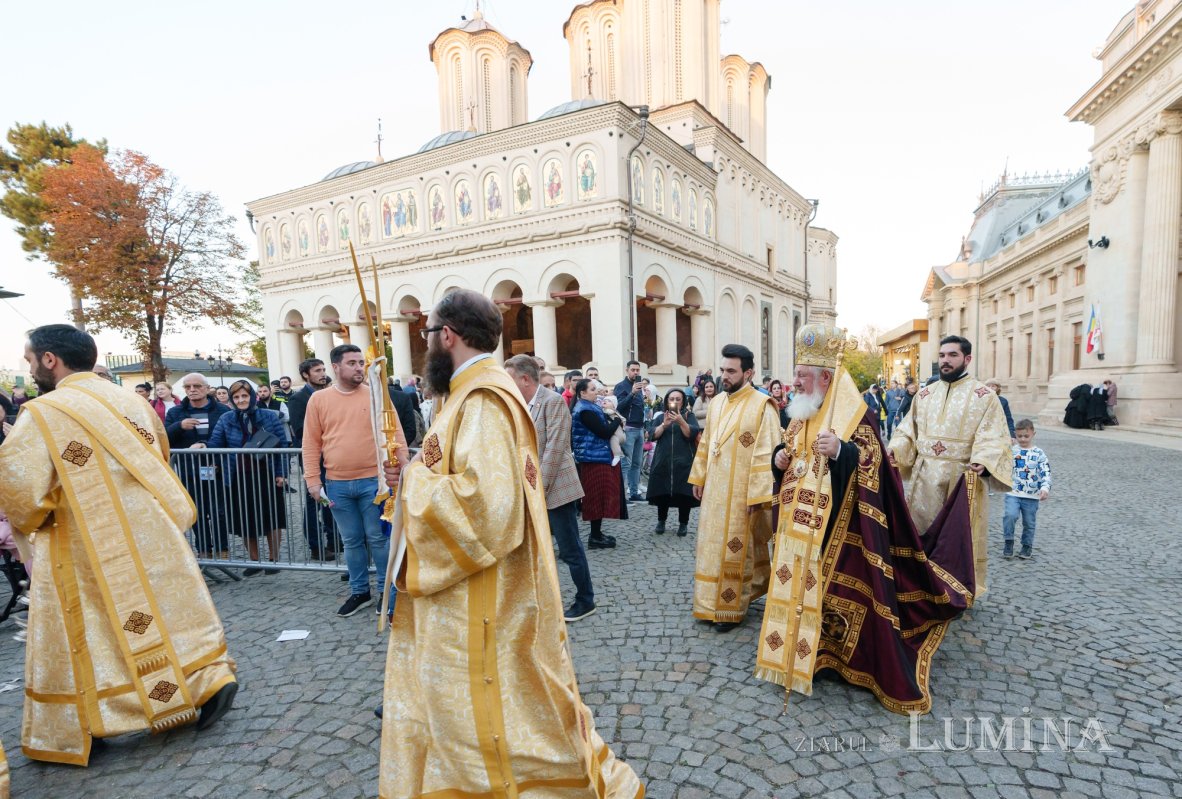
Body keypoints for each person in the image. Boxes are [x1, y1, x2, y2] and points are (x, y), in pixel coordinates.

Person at [376, 290, 642, 798]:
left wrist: (412, 484)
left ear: (447, 336)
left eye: (428, 333)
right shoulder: (466, 396)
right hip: (472, 590)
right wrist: (412, 469)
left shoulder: (482, 401)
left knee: (497, 707)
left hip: (479, 597)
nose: (426, 342)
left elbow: (488, 507)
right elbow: (458, 472)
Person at [0, 325, 237, 764]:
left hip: (81, 540)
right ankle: (207, 680)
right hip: (149, 529)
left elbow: (21, 490)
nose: (30, 370)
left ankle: (84, 722)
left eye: (31, 360)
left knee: (88, 626)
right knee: (164, 608)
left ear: (50, 359)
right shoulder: (132, 401)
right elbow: (157, 458)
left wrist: (36, 516)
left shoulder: (43, 412)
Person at [754, 323, 976, 713]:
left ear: (825, 378)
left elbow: (876, 469)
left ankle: (832, 657)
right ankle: (795, 651)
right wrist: (778, 460)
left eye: (803, 377)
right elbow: (789, 452)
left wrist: (842, 451)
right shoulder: (799, 414)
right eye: (796, 375)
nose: (795, 383)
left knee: (832, 594)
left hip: (842, 530)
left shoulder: (856, 416)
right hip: (799, 526)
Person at [888, 335, 1013, 598]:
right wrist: (894, 450)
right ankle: (921, 587)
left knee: (956, 539)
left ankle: (956, 591)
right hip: (925, 479)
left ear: (967, 359)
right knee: (920, 533)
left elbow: (993, 436)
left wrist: (984, 459)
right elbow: (907, 431)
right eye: (942, 355)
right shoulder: (924, 394)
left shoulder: (984, 397)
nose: (945, 360)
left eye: (952, 355)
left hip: (961, 479)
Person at [303, 344, 408, 617]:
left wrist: (403, 468)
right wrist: (313, 481)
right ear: (335, 367)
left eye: (361, 362)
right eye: (352, 363)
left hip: (375, 481)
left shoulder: (377, 395)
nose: (359, 368)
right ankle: (359, 591)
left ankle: (387, 593)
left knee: (378, 539)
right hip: (337, 483)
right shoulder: (319, 400)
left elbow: (395, 433)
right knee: (350, 541)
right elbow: (311, 443)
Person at [687, 344, 780, 632]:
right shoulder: (716, 403)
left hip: (742, 493)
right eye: (722, 370)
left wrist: (758, 493)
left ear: (748, 373)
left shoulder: (762, 406)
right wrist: (699, 477)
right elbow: (707, 443)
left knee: (736, 548)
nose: (723, 376)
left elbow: (768, 452)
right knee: (710, 547)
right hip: (714, 489)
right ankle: (706, 604)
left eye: (731, 371)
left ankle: (730, 608)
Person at [505, 355, 597, 621]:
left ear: (524, 379)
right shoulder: (518, 404)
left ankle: (585, 600)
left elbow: (554, 449)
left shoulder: (552, 401)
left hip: (556, 489)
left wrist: (536, 491)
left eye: (510, 378)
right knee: (532, 549)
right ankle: (538, 600)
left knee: (570, 549)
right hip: (529, 490)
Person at [205, 380, 290, 576]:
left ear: (253, 396)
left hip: (265, 474)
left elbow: (283, 446)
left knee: (271, 518)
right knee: (244, 519)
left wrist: (281, 473)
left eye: (244, 396)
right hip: (237, 476)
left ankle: (273, 560)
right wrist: (204, 446)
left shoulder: (268, 416)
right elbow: (216, 442)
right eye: (236, 397)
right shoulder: (226, 418)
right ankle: (254, 560)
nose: (241, 400)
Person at [165, 373, 231, 558]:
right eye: (187, 387)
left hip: (215, 469)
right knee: (196, 512)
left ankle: (222, 550)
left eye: (196, 386)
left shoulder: (222, 410)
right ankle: (203, 550)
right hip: (188, 470)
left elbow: (227, 439)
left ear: (207, 388)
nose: (192, 390)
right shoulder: (175, 412)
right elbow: (164, 438)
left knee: (219, 511)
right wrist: (179, 426)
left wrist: (217, 460)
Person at [285, 358, 338, 561]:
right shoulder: (298, 399)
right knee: (314, 501)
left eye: (324, 369)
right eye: (317, 370)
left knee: (331, 500)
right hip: (314, 458)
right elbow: (300, 430)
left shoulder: (330, 395)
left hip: (333, 457)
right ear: (306, 374)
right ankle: (316, 545)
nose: (322, 373)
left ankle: (334, 540)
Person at [572, 378, 628, 549]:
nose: (596, 391)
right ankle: (594, 537)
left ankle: (597, 533)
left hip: (598, 456)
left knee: (600, 497)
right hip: (593, 459)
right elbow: (603, 432)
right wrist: (618, 421)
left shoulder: (590, 406)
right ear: (582, 392)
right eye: (592, 389)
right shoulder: (584, 410)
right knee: (595, 498)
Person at [646, 388, 700, 537]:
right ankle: (661, 521)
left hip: (684, 461)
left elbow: (690, 435)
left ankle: (683, 524)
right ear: (667, 401)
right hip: (663, 460)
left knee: (684, 494)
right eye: (672, 399)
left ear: (683, 401)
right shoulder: (660, 417)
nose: (675, 402)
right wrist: (664, 424)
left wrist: (681, 421)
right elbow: (652, 436)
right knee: (662, 492)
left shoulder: (689, 416)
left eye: (678, 399)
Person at [1003, 419, 1051, 560]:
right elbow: (1001, 464)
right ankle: (1008, 541)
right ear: (1015, 435)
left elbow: (1045, 471)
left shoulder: (1039, 453)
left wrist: (1045, 488)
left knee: (1029, 523)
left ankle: (1026, 545)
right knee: (1010, 516)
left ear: (1033, 434)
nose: (1022, 439)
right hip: (1013, 492)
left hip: (1032, 496)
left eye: (1026, 436)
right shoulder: (1012, 451)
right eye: (1019, 436)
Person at [613, 360, 648, 501]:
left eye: (637, 370)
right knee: (625, 463)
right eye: (633, 370)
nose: (635, 372)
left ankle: (634, 492)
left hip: (640, 428)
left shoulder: (640, 387)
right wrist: (632, 393)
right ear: (627, 370)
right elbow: (619, 407)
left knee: (637, 463)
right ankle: (622, 495)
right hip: (628, 429)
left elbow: (640, 408)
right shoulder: (621, 386)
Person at [599, 394, 628, 466]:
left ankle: (617, 455)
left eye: (609, 401)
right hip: (616, 434)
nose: (605, 401)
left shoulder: (612, 412)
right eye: (604, 400)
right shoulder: (603, 411)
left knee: (613, 439)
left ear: (614, 406)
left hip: (619, 435)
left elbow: (622, 420)